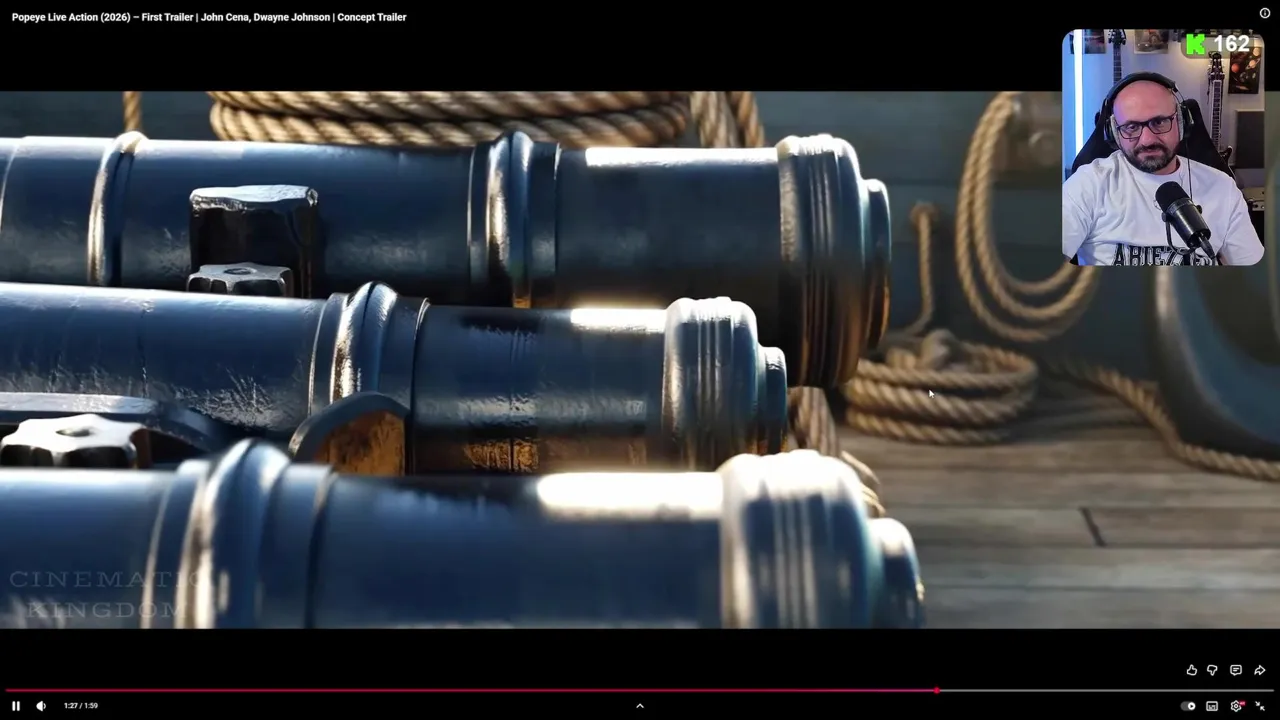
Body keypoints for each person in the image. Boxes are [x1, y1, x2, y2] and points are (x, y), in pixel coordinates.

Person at [1062, 76, 1264, 266]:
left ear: (1182, 123)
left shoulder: (1222, 187)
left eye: (1159, 122)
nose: (1147, 140)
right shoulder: (1087, 184)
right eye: (1131, 127)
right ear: (1115, 133)